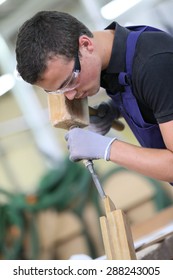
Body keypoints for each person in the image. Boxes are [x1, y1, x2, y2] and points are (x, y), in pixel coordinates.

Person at [15, 10, 173, 185]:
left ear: (86, 44)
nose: (71, 95)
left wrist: (107, 148)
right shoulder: (108, 65)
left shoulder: (154, 64)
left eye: (70, 81)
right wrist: (115, 109)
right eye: (58, 91)